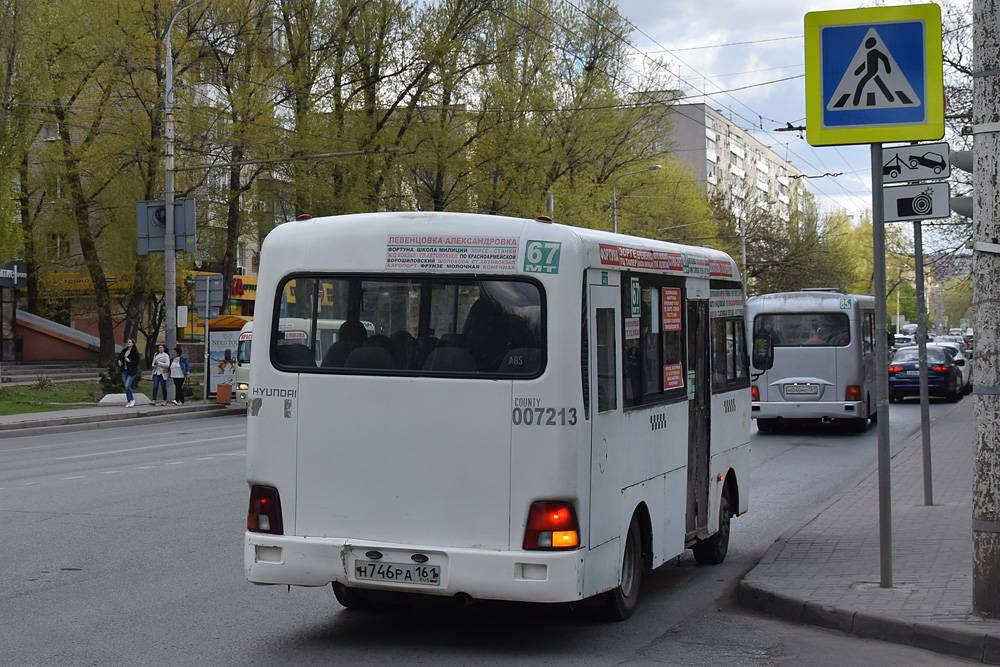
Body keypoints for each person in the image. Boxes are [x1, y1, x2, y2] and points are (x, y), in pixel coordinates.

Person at [117, 338, 140, 407]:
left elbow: (137, 361)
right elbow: (120, 357)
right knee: (126, 386)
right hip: (124, 370)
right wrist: (119, 361)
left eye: (130, 342)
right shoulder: (124, 350)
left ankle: (132, 400)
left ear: (133, 344)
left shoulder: (135, 352)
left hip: (131, 371)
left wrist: (130, 361)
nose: (128, 343)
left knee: (127, 385)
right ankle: (129, 400)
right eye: (128, 342)